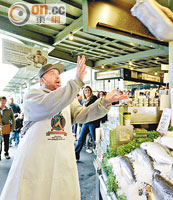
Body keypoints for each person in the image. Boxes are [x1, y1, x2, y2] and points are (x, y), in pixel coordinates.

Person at [0, 56, 128, 200]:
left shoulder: (68, 99)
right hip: (36, 160)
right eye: (52, 74)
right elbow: (48, 105)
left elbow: (83, 114)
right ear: (41, 80)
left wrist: (104, 101)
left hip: (61, 159)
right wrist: (75, 83)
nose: (57, 77)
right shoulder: (33, 95)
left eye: (58, 74)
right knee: (33, 191)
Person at [75, 86, 100, 155]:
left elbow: (94, 108)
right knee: (81, 138)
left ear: (91, 91)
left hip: (93, 121)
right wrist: (80, 124)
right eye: (86, 90)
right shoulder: (82, 100)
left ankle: (99, 153)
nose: (87, 92)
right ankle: (76, 154)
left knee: (95, 138)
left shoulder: (94, 98)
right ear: (83, 92)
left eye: (89, 90)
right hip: (85, 122)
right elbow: (81, 112)